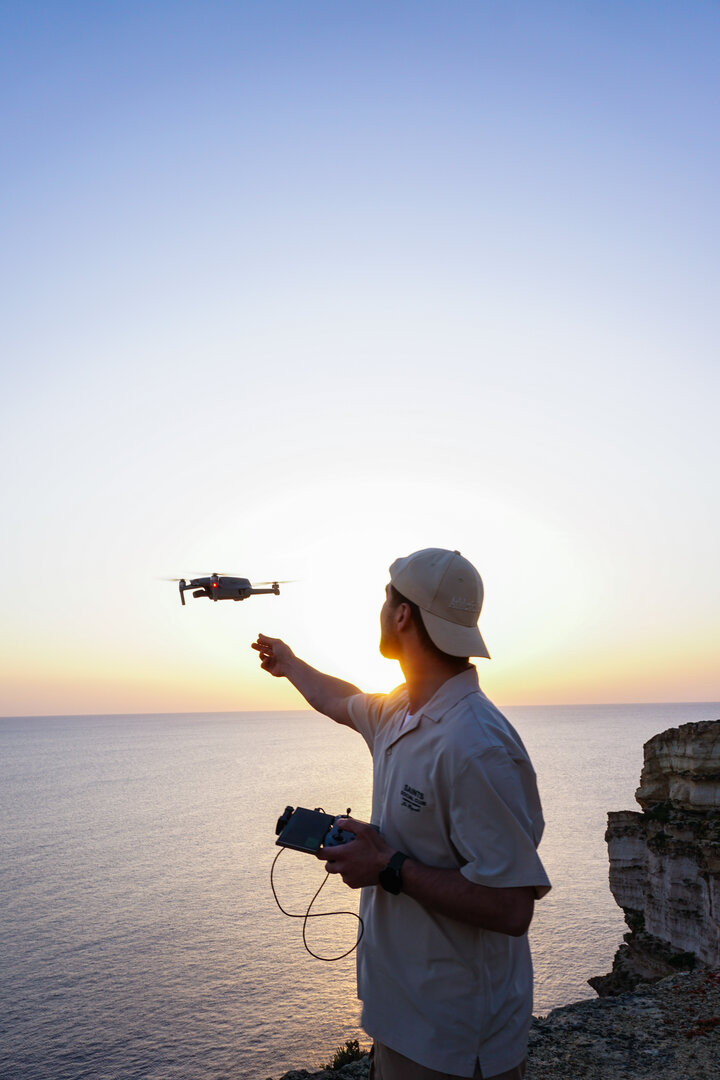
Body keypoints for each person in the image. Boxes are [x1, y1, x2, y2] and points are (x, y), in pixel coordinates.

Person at [252, 548, 550, 1080]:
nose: (382, 609)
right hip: (403, 1026)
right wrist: (289, 664)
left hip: (456, 1045)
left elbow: (511, 909)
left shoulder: (474, 745)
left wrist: (387, 866)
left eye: (385, 598)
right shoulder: (399, 711)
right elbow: (342, 700)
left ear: (402, 614)